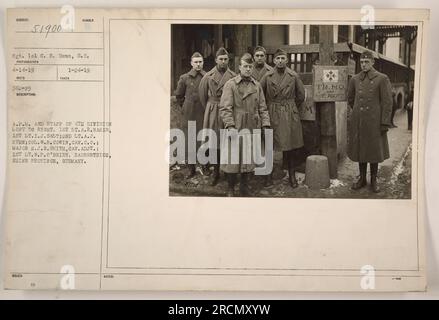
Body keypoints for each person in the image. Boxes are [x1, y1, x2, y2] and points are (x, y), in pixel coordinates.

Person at [219, 53, 271, 197]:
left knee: (248, 158)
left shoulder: (257, 85)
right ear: (239, 67)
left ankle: (244, 186)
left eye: (250, 66)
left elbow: (262, 107)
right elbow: (225, 108)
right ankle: (230, 188)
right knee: (233, 158)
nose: (248, 69)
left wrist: (265, 124)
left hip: (252, 125)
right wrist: (230, 126)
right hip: (236, 124)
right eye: (245, 66)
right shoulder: (230, 84)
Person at [347, 50, 393, 193]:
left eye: (367, 62)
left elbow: (387, 102)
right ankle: (362, 178)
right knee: (361, 149)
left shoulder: (382, 78)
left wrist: (384, 122)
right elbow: (350, 98)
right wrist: (357, 113)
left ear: (373, 62)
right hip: (359, 121)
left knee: (373, 151)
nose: (364, 64)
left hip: (375, 122)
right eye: (361, 62)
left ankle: (373, 179)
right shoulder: (355, 79)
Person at [260, 48, 305, 188]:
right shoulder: (267, 76)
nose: (280, 61)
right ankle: (268, 176)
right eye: (277, 58)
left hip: (289, 113)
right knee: (269, 145)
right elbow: (260, 95)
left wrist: (290, 107)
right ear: (273, 61)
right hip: (272, 112)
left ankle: (291, 175)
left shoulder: (293, 76)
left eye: (282, 58)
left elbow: (301, 96)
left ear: (287, 60)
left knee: (290, 146)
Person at [199, 47, 237, 186]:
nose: (223, 62)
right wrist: (211, 108)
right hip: (213, 110)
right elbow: (203, 97)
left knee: (227, 142)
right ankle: (215, 172)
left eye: (225, 59)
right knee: (214, 142)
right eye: (220, 59)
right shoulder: (208, 77)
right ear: (216, 60)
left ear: (228, 61)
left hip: (228, 111)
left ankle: (227, 171)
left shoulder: (233, 76)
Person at [174, 52, 206, 179]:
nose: (198, 65)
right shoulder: (184, 78)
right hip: (190, 113)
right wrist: (186, 107)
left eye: (200, 62)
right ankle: (191, 168)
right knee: (190, 140)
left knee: (204, 138)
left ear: (203, 63)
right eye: (196, 62)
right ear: (191, 63)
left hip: (203, 112)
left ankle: (204, 165)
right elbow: (179, 96)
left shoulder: (207, 77)